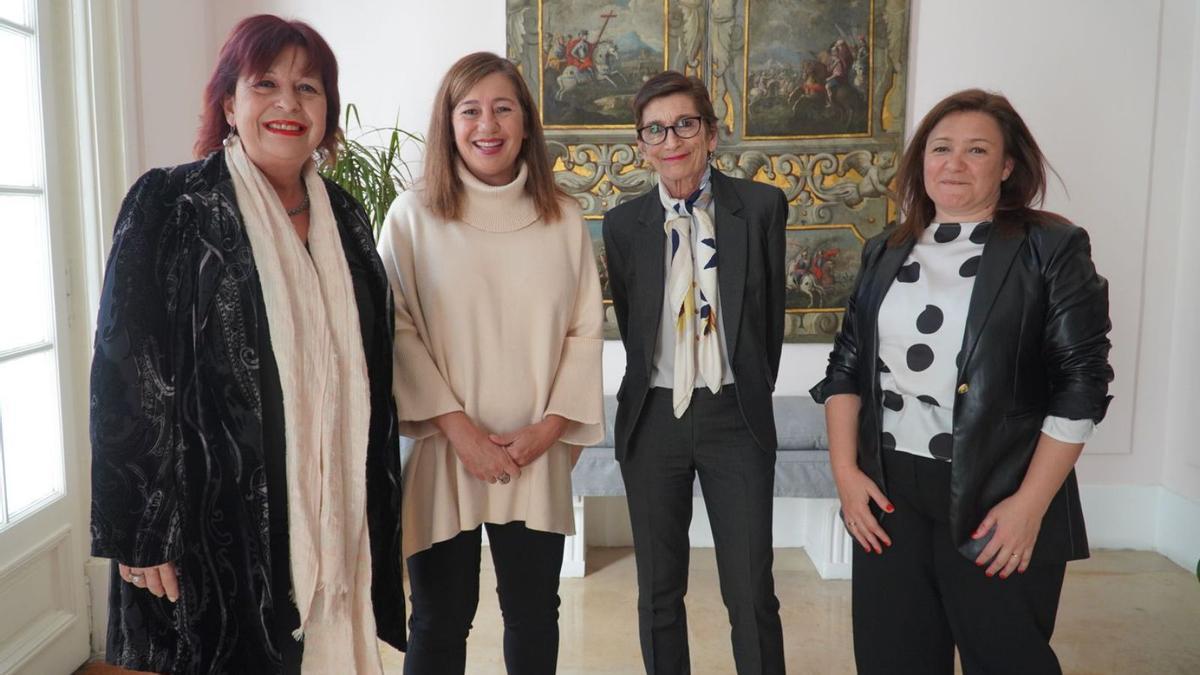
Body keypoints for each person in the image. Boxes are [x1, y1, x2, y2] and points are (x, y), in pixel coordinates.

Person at [89, 15, 405, 674]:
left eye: (309, 88)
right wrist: (140, 530)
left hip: (334, 522)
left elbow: (371, 374)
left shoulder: (345, 218)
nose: (289, 103)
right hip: (214, 523)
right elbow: (125, 371)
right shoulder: (171, 203)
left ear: (326, 112)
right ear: (230, 103)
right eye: (267, 84)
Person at [810, 88, 1113, 674]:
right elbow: (846, 366)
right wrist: (847, 474)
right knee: (892, 659)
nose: (954, 163)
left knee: (1005, 658)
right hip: (888, 491)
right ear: (921, 160)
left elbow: (1082, 385)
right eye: (941, 147)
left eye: (976, 150)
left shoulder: (1050, 247)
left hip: (997, 492)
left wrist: (1029, 506)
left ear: (1006, 167)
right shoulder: (884, 250)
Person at [376, 51, 603, 675]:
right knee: (440, 622)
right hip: (447, 453)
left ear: (526, 123)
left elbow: (586, 332)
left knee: (535, 617)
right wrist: (462, 433)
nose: (488, 124)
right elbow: (395, 333)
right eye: (469, 110)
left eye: (503, 108)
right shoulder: (412, 217)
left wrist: (548, 430)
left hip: (537, 451)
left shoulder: (563, 219)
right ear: (448, 124)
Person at [602, 71, 787, 675]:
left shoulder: (760, 207)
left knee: (750, 592)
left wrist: (746, 390)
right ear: (642, 144)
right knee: (658, 593)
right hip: (654, 418)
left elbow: (768, 318)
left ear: (711, 132)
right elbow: (635, 323)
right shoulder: (623, 225)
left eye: (685, 123)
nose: (671, 139)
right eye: (655, 129)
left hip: (735, 416)